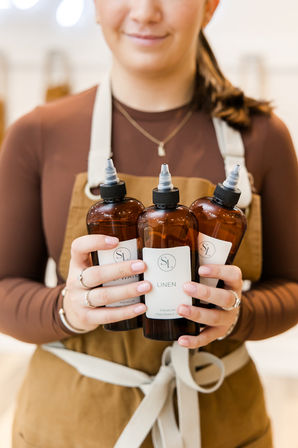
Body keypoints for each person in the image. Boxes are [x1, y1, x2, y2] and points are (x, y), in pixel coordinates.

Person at [0, 0, 297, 447]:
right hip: (72, 426)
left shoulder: (262, 137)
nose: (145, 11)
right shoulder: (38, 133)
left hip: (222, 422)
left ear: (210, 5)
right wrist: (67, 308)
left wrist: (239, 315)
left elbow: (293, 284)